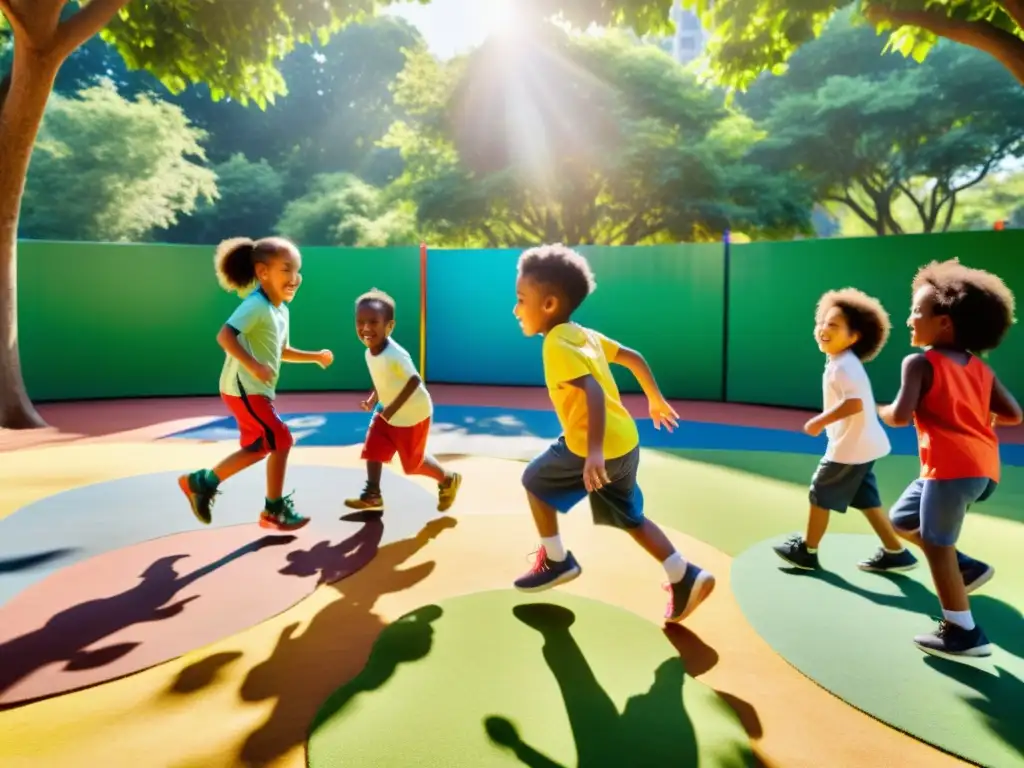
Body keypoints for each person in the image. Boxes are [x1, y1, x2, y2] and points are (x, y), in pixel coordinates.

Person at [510, 243, 715, 623]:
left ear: (550, 304)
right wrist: (653, 397)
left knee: (533, 480)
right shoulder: (584, 335)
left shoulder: (556, 343)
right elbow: (633, 357)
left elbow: (592, 393)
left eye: (521, 299)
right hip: (626, 441)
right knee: (629, 517)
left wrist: (593, 455)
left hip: (594, 447)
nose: (516, 309)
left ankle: (556, 560)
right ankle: (684, 574)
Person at [879, 258, 1021, 660]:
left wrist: (882, 410)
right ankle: (967, 569)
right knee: (903, 520)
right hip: (982, 469)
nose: (909, 319)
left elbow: (901, 415)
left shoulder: (920, 363)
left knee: (938, 545)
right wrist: (975, 413)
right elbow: (1014, 415)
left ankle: (963, 631)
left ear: (944, 322)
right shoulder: (980, 369)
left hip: (950, 470)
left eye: (917, 312)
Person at [178, 236, 334, 531]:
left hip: (255, 390)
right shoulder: (257, 306)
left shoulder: (281, 310)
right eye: (286, 270)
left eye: (297, 270)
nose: (295, 278)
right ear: (263, 273)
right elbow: (225, 336)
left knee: (261, 446)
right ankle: (273, 509)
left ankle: (202, 483)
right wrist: (252, 365)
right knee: (282, 439)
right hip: (243, 389)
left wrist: (315, 357)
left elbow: (281, 351)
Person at [773, 288, 918, 573]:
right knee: (866, 500)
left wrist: (819, 421)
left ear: (854, 337)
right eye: (823, 322)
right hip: (862, 445)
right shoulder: (841, 362)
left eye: (834, 325)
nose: (823, 329)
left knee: (820, 492)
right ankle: (895, 551)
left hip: (850, 448)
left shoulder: (843, 367)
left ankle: (807, 551)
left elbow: (853, 404)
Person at [344, 288, 461, 513]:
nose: (366, 328)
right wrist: (372, 401)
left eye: (373, 322)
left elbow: (414, 381)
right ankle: (372, 494)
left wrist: (392, 410)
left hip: (412, 415)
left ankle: (447, 479)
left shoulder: (395, 354)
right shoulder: (369, 353)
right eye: (360, 322)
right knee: (373, 448)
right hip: (386, 410)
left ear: (389, 326)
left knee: (412, 464)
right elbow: (383, 381)